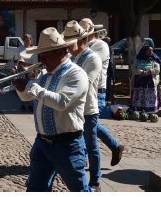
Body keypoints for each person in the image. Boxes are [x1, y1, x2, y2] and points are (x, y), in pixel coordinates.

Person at [12, 27, 91, 192]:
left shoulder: (76, 74)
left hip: (67, 145)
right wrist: (21, 86)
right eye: (40, 54)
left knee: (79, 190)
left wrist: (30, 85)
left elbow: (61, 102)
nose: (41, 58)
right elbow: (29, 98)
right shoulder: (45, 75)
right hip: (42, 143)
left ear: (60, 52)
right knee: (34, 189)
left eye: (45, 54)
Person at [63, 21, 103, 192]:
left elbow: (84, 82)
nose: (68, 48)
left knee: (91, 145)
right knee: (76, 145)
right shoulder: (73, 57)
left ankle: (95, 180)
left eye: (70, 44)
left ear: (80, 41)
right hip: (72, 109)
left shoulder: (93, 58)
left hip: (87, 109)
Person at [79, 18, 124, 167]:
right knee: (88, 124)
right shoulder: (85, 46)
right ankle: (114, 147)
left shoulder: (101, 45)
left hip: (97, 90)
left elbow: (90, 60)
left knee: (89, 125)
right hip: (84, 89)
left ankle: (85, 157)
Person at [129, 45, 161, 114]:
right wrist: (141, 72)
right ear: (144, 51)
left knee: (150, 96)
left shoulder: (154, 59)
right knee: (139, 96)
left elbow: (157, 69)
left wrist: (149, 71)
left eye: (152, 50)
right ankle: (138, 111)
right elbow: (133, 69)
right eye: (149, 50)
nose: (151, 52)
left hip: (150, 81)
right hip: (139, 81)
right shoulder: (138, 59)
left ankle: (150, 112)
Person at [18, 34, 34, 112]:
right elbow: (18, 59)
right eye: (25, 40)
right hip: (22, 70)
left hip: (31, 71)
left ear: (31, 40)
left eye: (28, 40)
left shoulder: (34, 49)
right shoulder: (21, 49)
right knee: (22, 88)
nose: (27, 42)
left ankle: (31, 105)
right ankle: (22, 105)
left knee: (30, 88)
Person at [102, 37, 115, 103]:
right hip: (102, 68)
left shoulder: (110, 48)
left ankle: (107, 99)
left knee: (108, 85)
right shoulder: (100, 48)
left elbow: (112, 60)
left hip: (108, 69)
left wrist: (112, 70)